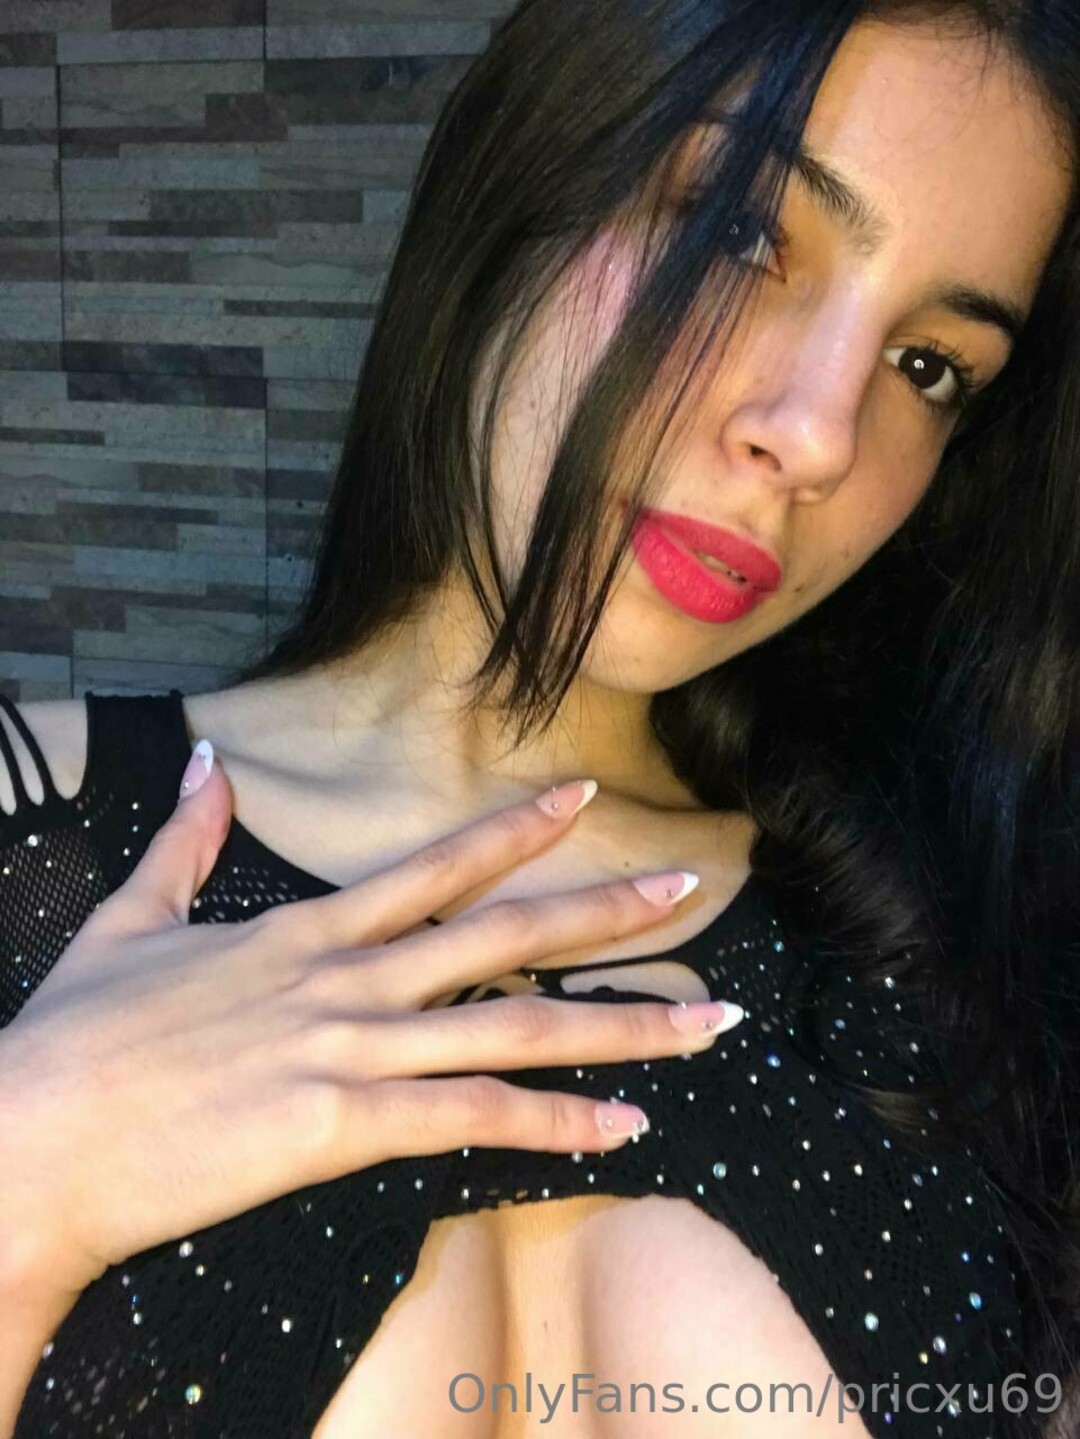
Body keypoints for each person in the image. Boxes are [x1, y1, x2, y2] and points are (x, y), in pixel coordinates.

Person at [1, 1, 1079, 1435]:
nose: (821, 435)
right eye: (741, 233)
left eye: (929, 365)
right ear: (529, 168)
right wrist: (28, 1173)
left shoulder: (978, 954)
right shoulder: (28, 834)